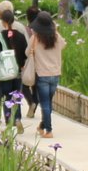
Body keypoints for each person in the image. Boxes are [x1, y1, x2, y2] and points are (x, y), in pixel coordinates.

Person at [0, 5, 29, 126]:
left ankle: (8, 118)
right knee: (16, 96)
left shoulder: (0, 36)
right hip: (17, 72)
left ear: (3, 21)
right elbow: (25, 53)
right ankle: (17, 119)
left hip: (5, 73)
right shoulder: (21, 36)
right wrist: (21, 65)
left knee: (7, 96)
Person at [26, 11, 64, 139]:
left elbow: (27, 53)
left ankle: (49, 130)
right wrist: (56, 30)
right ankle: (42, 126)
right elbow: (64, 45)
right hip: (55, 74)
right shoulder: (56, 37)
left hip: (42, 75)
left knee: (45, 104)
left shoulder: (35, 38)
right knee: (48, 102)